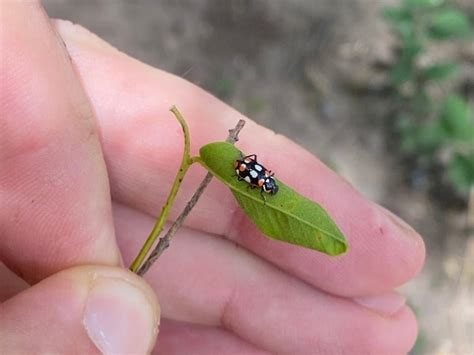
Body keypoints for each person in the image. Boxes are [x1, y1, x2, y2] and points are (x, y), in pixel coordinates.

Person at [0, 2, 425, 354]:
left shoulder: (245, 172)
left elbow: (256, 178)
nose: (259, 179)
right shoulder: (244, 171)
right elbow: (255, 177)